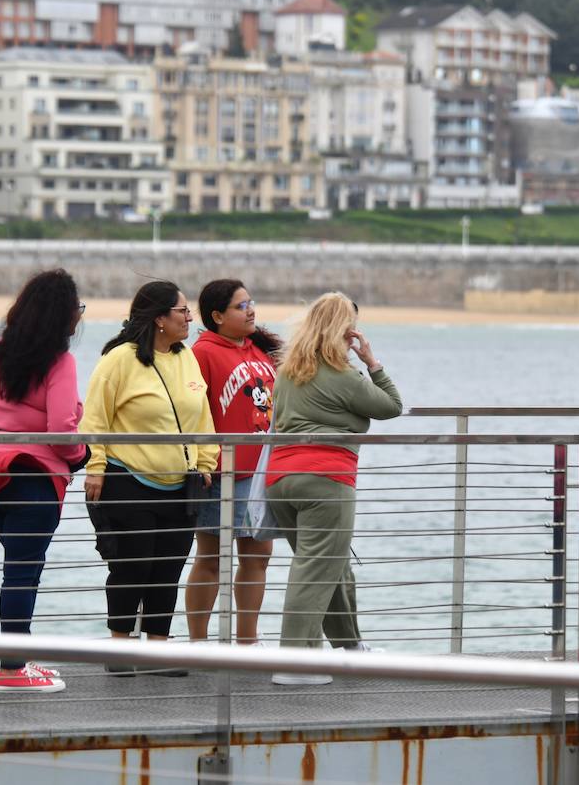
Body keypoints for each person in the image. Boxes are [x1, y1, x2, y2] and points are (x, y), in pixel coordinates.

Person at [80, 280, 218, 676]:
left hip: (181, 483)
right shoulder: (119, 359)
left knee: (169, 567)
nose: (190, 317)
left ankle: (158, 649)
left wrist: (206, 462)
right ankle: (120, 648)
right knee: (132, 565)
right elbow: (95, 418)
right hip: (126, 478)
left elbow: (202, 415)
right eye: (182, 311)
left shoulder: (186, 358)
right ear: (159, 318)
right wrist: (96, 466)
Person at [0, 269, 88, 694]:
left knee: (18, 568)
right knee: (22, 573)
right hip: (32, 478)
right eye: (78, 310)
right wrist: (82, 456)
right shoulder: (60, 361)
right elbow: (62, 427)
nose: (79, 318)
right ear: (62, 317)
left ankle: (18, 659)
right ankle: (12, 669)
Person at [265, 292, 402, 686]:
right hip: (326, 480)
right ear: (343, 330)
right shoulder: (343, 376)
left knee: (332, 566)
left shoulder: (289, 370)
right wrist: (372, 362)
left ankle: (349, 647)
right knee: (314, 571)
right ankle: (295, 663)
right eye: (352, 328)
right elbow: (391, 405)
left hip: (282, 480)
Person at [186, 279, 283, 644]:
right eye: (241, 306)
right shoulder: (202, 353)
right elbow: (193, 412)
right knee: (209, 558)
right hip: (222, 473)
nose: (251, 310)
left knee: (258, 558)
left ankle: (248, 642)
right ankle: (198, 643)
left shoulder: (261, 352)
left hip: (262, 472)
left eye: (251, 302)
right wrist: (202, 461)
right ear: (217, 316)